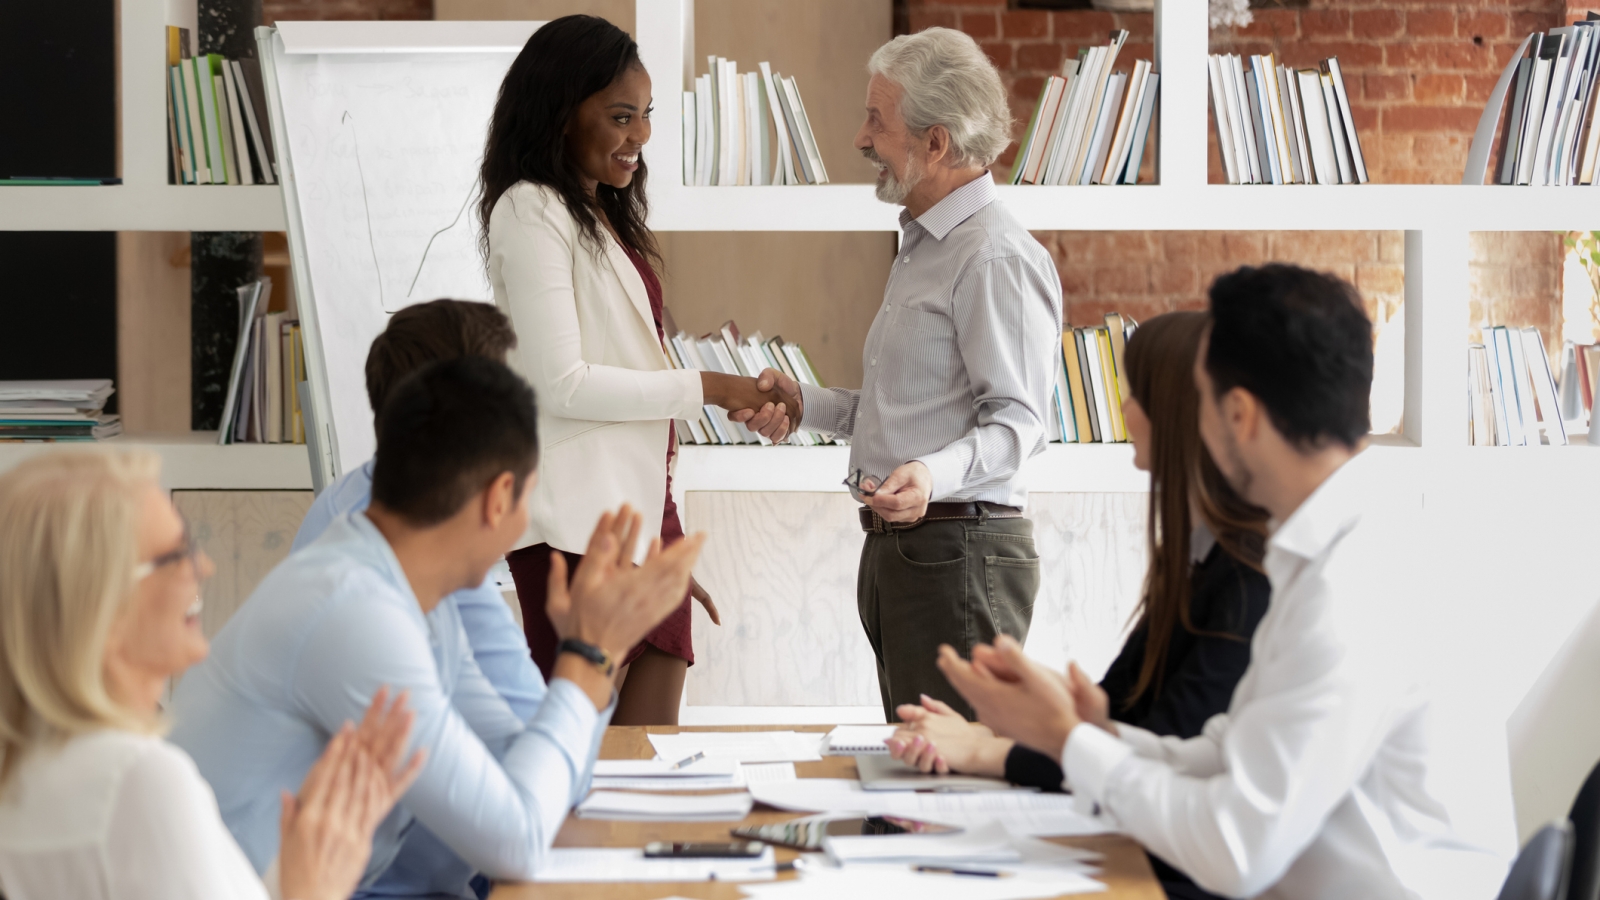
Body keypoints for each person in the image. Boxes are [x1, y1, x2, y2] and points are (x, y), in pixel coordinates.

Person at [936, 264, 1508, 899]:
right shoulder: (1332, 548)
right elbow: (1230, 755)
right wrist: (1094, 735)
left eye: (1200, 401)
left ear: (1240, 414)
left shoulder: (1356, 588)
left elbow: (1236, 850)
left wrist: (1070, 741)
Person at [170, 358, 704, 889]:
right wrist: (588, 658)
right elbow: (514, 840)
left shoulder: (414, 594)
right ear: (499, 499)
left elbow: (526, 772)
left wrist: (586, 655)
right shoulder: (354, 610)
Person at [883, 311, 1271, 900]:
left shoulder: (1248, 578)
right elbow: (1120, 717)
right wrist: (997, 730)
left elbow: (1149, 749)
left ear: (1172, 413)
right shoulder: (1197, 559)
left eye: (1132, 392)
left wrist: (990, 750)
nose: (1121, 407)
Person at [740, 27, 1062, 722]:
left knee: (949, 789)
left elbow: (1021, 425)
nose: (860, 138)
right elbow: (905, 409)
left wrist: (931, 476)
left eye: (876, 121)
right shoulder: (923, 250)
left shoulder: (994, 258)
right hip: (911, 555)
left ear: (936, 142)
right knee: (922, 774)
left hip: (957, 555)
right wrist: (808, 404)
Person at [479, 15, 788, 726]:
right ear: (560, 112)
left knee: (649, 755)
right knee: (592, 762)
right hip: (574, 532)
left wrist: (662, 536)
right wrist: (708, 388)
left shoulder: (597, 213)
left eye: (646, 116)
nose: (640, 136)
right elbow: (562, 383)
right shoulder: (530, 210)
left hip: (642, 522)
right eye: (621, 116)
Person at [0, 449, 422, 900]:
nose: (204, 567)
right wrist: (316, 888)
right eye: (175, 556)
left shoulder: (34, 767)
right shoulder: (139, 781)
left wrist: (308, 860)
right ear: (101, 604)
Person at [290, 299, 541, 898]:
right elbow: (534, 749)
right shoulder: (406, 553)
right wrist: (593, 654)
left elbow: (517, 740)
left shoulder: (359, 507)